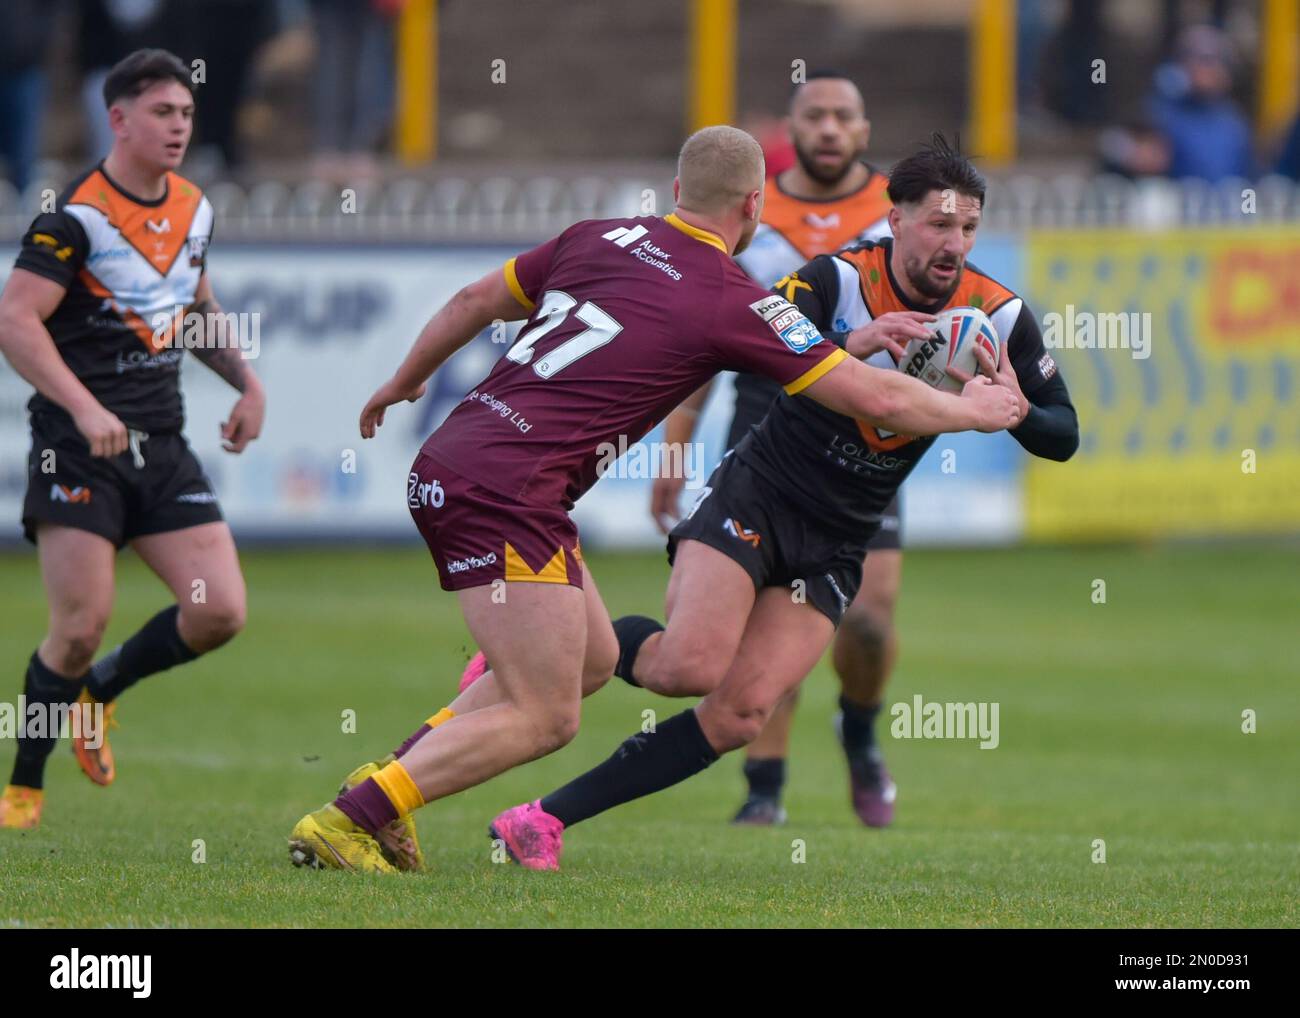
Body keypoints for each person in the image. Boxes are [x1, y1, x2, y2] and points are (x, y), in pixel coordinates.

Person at [285, 125, 1021, 874]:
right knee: (547, 715)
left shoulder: (594, 236)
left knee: (595, 660)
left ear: (677, 194)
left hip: (461, 460)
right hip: (510, 492)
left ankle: (380, 785)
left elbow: (477, 297)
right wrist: (979, 411)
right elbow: (870, 397)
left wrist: (408, 377)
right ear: (755, 207)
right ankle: (352, 819)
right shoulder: (733, 298)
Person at [485, 134, 1079, 871]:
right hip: (760, 493)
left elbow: (1064, 434)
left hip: (839, 535)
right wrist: (852, 343)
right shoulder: (833, 279)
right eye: (938, 224)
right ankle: (536, 647)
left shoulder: (1000, 314)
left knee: (739, 713)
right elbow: (739, 344)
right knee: (686, 669)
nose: (954, 242)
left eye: (968, 227)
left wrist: (1018, 408)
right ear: (893, 219)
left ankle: (541, 821)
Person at [0, 49, 265, 829]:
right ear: (118, 120)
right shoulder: (74, 217)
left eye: (185, 113)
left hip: (162, 441)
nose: (178, 126)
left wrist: (245, 383)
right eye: (161, 113)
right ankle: (23, 784)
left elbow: (196, 306)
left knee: (219, 611)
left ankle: (99, 694)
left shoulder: (193, 207)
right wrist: (83, 409)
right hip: (79, 449)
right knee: (78, 627)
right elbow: (15, 321)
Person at [651, 70, 905, 827]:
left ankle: (858, 732)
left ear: (864, 130)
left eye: (844, 116)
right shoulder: (748, 211)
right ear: (789, 129)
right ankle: (765, 791)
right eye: (814, 114)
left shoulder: (900, 213)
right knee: (772, 608)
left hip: (869, 430)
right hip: (763, 423)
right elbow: (699, 348)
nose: (829, 128)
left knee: (865, 619)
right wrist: (674, 452)